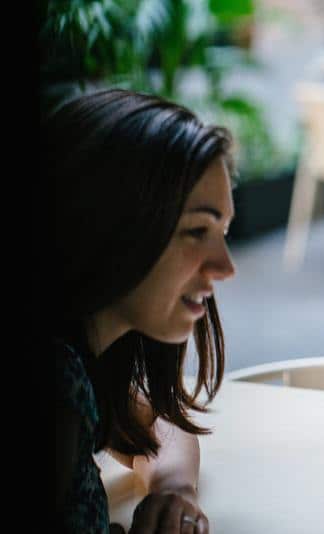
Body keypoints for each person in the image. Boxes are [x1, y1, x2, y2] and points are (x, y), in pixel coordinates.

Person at [52, 88, 237, 533]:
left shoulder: (88, 362)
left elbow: (156, 425)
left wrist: (174, 491)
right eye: (197, 230)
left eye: (223, 231)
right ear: (114, 226)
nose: (226, 267)